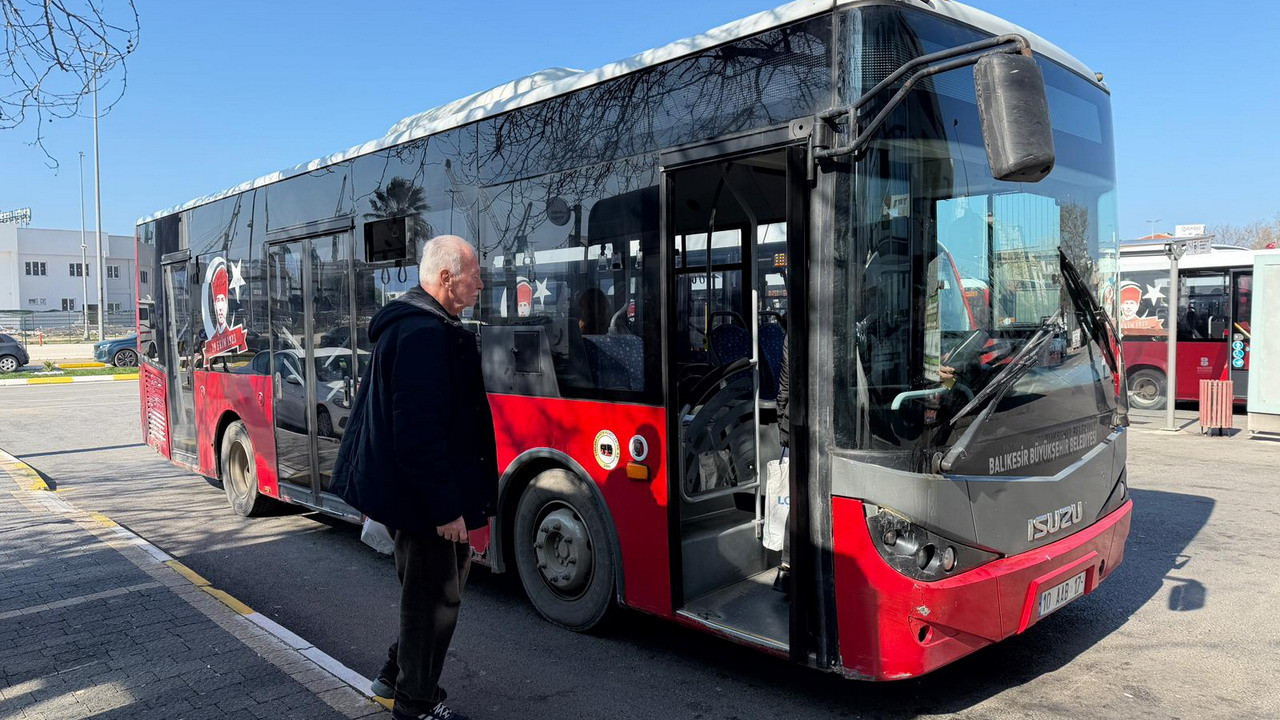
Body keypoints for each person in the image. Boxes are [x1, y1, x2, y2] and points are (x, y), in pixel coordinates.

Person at [331, 235, 496, 720]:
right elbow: (418, 435)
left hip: (419, 495)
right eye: (475, 275)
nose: (481, 284)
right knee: (435, 601)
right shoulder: (425, 334)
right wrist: (447, 509)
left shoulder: (423, 325)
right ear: (447, 278)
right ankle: (415, 705)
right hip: (426, 503)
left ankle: (391, 676)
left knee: (425, 597)